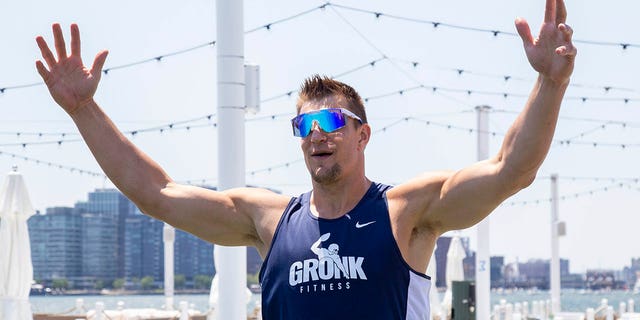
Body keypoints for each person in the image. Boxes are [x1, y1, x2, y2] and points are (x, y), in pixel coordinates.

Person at [35, 0, 576, 318]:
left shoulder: (407, 212)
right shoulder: (269, 221)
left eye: (332, 122)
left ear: (362, 136)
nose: (318, 134)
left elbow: (511, 171)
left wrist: (549, 84)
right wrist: (84, 109)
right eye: (305, 125)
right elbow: (156, 193)